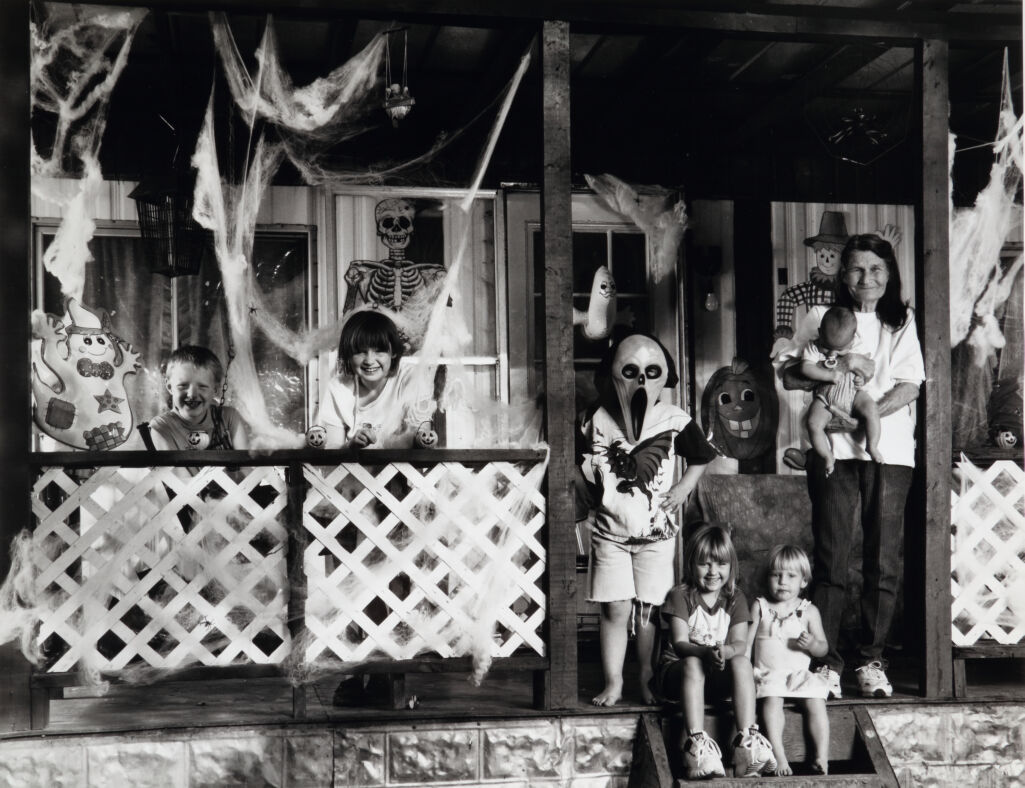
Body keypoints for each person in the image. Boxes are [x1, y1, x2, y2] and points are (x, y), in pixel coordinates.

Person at [775, 232, 925, 699]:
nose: (868, 278)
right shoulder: (820, 316)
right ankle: (827, 663)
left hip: (889, 451)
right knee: (831, 558)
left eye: (878, 269)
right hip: (832, 454)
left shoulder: (900, 321)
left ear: (890, 274)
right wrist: (831, 385)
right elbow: (788, 370)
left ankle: (872, 660)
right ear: (843, 274)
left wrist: (861, 413)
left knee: (882, 561)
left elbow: (911, 384)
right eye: (858, 269)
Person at [577, 333, 716, 708]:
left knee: (649, 610)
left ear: (664, 376)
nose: (641, 381)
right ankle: (614, 681)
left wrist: (683, 488)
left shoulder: (673, 418)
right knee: (615, 608)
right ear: (613, 374)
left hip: (657, 535)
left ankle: (646, 676)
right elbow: (579, 463)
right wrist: (588, 499)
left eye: (651, 372)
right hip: (610, 532)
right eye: (631, 371)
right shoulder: (595, 417)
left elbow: (701, 456)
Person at [651, 523, 776, 780]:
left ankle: (746, 744)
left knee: (741, 662)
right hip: (678, 676)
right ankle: (696, 745)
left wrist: (725, 652)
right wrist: (706, 652)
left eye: (720, 564)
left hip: (715, 675)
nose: (713, 572)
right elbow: (679, 643)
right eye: (704, 564)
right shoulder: (681, 595)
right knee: (693, 663)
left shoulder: (735, 598)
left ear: (731, 566)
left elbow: (740, 644)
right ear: (690, 565)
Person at [747, 544, 830, 776]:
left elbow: (823, 648)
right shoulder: (760, 606)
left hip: (798, 674)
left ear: (803, 581)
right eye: (776, 575)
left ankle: (821, 756)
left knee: (817, 702)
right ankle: (780, 756)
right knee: (772, 701)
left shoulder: (809, 611)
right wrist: (743, 672)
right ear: (767, 578)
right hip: (768, 673)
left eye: (791, 576)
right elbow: (746, 643)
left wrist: (813, 644)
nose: (783, 581)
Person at [314, 310, 424, 449]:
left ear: (394, 352)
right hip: (353, 469)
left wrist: (377, 444)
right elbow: (332, 449)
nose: (369, 360)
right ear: (348, 354)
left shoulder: (410, 377)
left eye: (379, 351)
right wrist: (350, 447)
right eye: (360, 351)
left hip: (404, 469)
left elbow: (419, 438)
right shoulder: (338, 387)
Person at [799, 305, 884, 476]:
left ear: (853, 339)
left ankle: (872, 445)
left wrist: (861, 378)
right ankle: (827, 456)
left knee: (872, 409)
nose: (831, 354)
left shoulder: (858, 346)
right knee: (813, 423)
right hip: (825, 396)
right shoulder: (813, 346)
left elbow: (867, 370)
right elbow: (806, 368)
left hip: (854, 394)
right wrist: (827, 375)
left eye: (839, 350)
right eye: (826, 347)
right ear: (819, 332)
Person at [147, 345, 248, 452]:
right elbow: (175, 469)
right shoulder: (161, 427)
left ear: (215, 389)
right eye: (183, 385)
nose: (192, 394)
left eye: (202, 386)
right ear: (169, 387)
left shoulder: (229, 418)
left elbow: (247, 466)